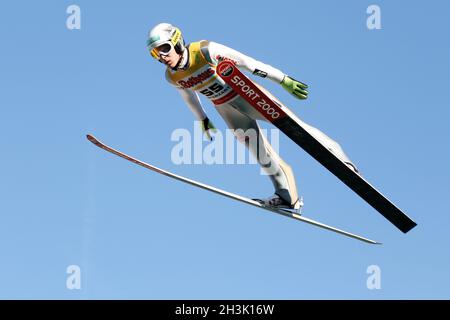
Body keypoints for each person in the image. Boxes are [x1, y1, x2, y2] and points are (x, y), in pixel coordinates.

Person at [146, 23, 357, 211]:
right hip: (226, 109)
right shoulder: (172, 77)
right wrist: (202, 119)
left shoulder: (205, 50)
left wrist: (283, 80)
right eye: (156, 53)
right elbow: (188, 96)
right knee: (259, 152)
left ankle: (341, 160)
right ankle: (287, 197)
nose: (162, 56)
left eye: (164, 48)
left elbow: (249, 63)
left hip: (248, 96)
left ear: (177, 42)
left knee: (296, 128)